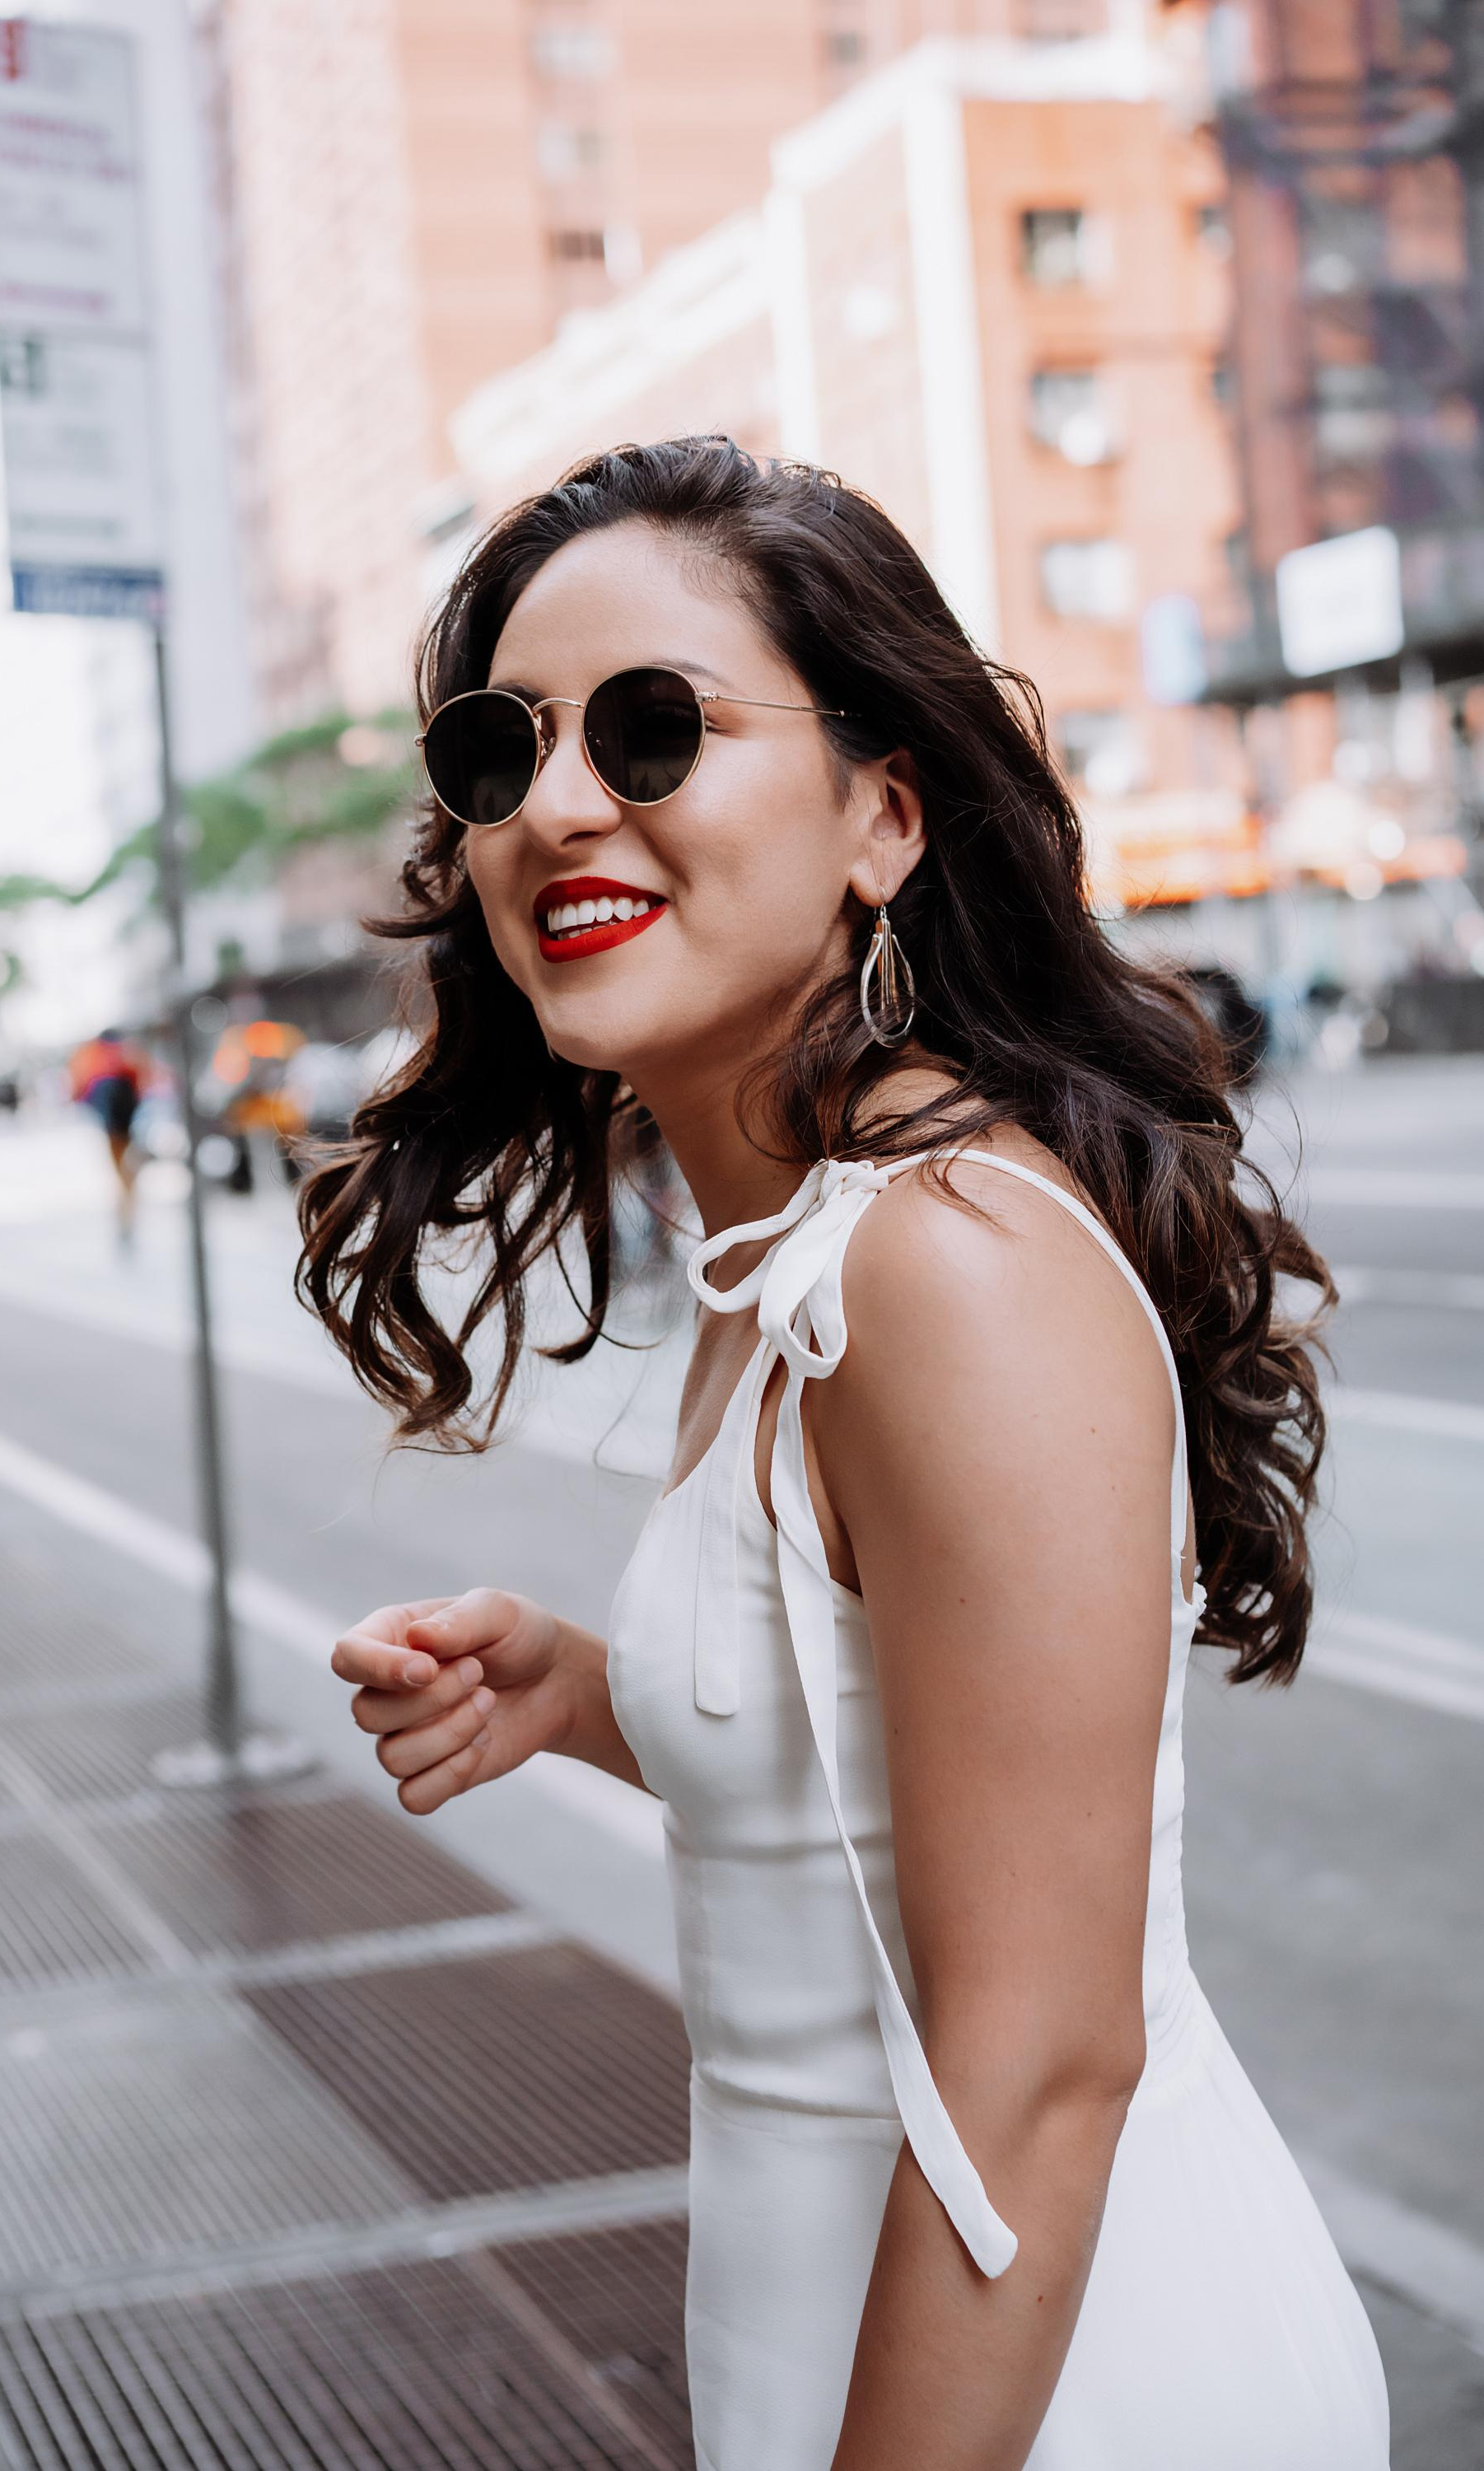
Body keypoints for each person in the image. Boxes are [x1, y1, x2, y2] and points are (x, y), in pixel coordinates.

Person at [301, 439, 1389, 2471]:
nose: (553, 805)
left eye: (650, 728)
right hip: (847, 2341)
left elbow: (1043, 2067)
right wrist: (591, 1689)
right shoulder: (794, 1230)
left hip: (1072, 2383)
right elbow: (899, 1757)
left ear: (880, 811)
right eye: (495, 746)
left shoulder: (939, 1263)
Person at [68, 1026, 150, 1243]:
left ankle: (125, 1212)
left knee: (122, 1174)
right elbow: (144, 1082)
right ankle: (126, 1211)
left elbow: (79, 1090)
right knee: (126, 1175)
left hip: (114, 1126)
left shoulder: (94, 1059)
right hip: (127, 1124)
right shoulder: (127, 1056)